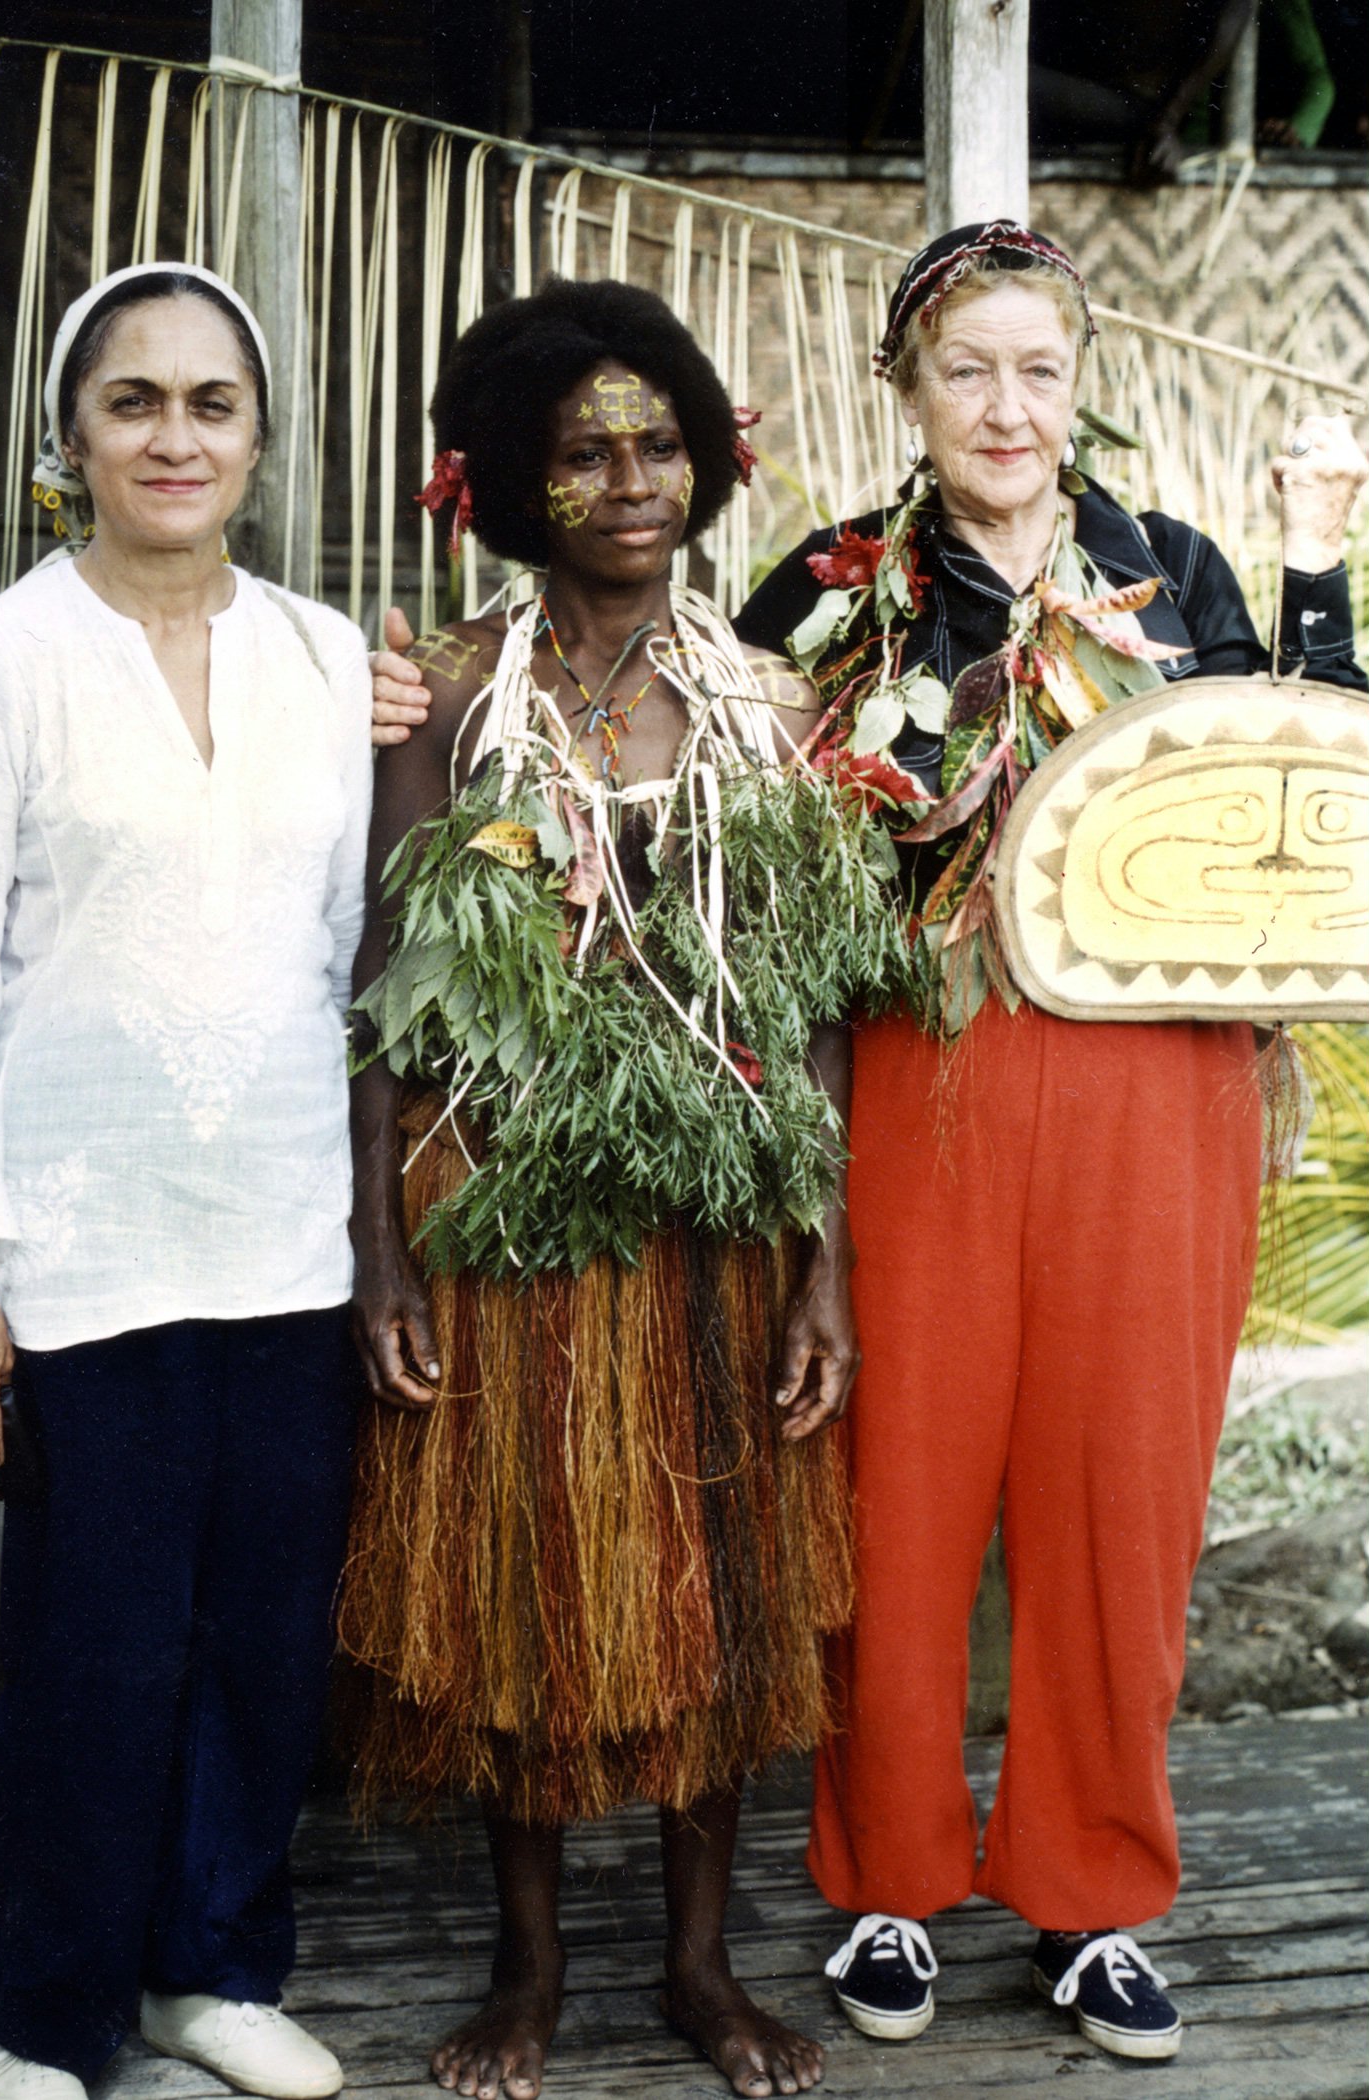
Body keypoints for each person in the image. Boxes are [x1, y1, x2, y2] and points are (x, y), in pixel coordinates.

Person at [731, 220, 1368, 2064]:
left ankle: (1089, 1891)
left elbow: (1312, 796)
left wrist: (1312, 561)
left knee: (1119, 1496)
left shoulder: (1164, 573)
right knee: (900, 1492)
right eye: (964, 369)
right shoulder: (831, 584)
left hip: (1157, 1089)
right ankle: (888, 1880)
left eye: (1036, 367)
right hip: (918, 1085)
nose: (1003, 405)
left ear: (1076, 385)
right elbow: (743, 833)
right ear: (905, 387)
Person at [340, 276, 894, 2100]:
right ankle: (529, 1973)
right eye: (583, 452)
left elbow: (811, 999)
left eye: (656, 443)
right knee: (522, 1586)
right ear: (514, 476)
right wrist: (381, 1252)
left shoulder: (763, 697)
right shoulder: (452, 700)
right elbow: (385, 993)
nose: (630, 479)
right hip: (505, 1223)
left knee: (715, 1595)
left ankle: (695, 1969)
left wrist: (824, 1269)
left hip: (722, 1235)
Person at [0, 262, 392, 2100]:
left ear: (261, 440)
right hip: (84, 1242)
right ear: (72, 439)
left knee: (267, 1640)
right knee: (91, 1654)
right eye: (135, 401)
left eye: (212, 402)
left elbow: (350, 946)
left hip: (285, 1235)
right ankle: (37, 2014)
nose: (175, 435)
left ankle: (209, 1971)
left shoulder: (327, 660)